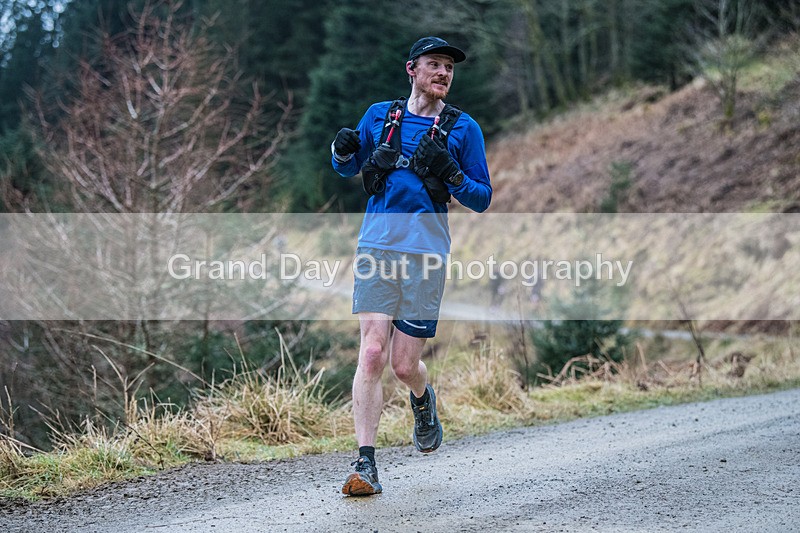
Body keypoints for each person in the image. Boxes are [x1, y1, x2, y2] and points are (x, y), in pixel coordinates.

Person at [331, 36, 492, 496]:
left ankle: (423, 401)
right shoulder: (380, 116)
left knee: (404, 366)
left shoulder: (464, 129)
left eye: (449, 68)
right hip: (377, 248)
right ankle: (365, 465)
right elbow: (347, 167)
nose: (443, 73)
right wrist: (343, 150)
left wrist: (452, 173)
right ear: (412, 70)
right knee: (373, 352)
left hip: (427, 254)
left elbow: (481, 198)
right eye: (435, 65)